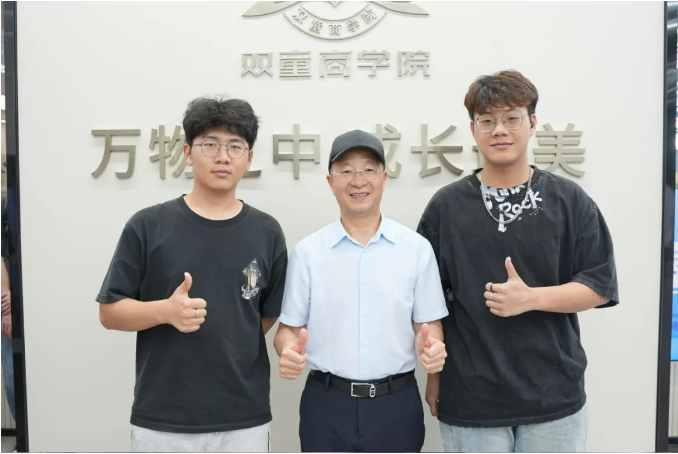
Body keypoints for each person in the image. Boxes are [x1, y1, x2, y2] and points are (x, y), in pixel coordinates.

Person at [417, 70, 619, 453]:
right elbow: (428, 299)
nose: (499, 130)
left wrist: (532, 298)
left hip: (554, 397)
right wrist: (434, 374)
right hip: (471, 396)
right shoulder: (446, 207)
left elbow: (599, 285)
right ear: (473, 129)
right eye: (487, 120)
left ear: (532, 123)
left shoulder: (569, 201)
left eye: (511, 118)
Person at [96, 97, 287, 453]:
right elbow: (109, 312)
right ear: (187, 153)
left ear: (249, 158)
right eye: (210, 144)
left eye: (235, 146)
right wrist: (165, 312)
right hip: (164, 420)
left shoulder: (267, 232)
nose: (223, 157)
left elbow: (264, 315)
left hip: (244, 418)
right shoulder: (148, 225)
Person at [274, 130, 449, 453]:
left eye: (369, 169)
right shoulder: (308, 252)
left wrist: (433, 346)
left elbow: (429, 324)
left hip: (396, 404)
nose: (358, 180)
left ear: (383, 178)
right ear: (331, 182)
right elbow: (288, 330)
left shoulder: (416, 249)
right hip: (326, 405)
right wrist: (287, 351)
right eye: (346, 170)